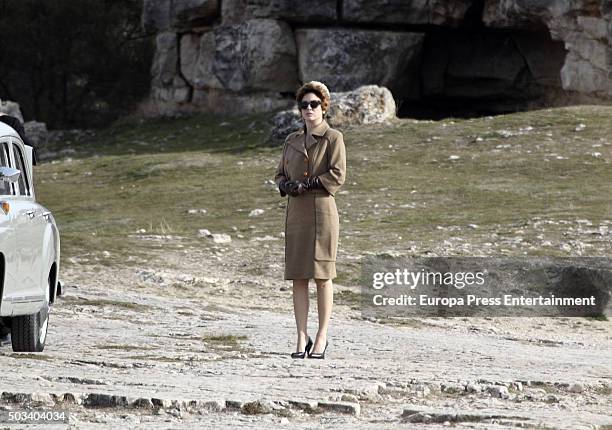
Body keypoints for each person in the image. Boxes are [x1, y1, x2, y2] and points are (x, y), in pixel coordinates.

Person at [274, 81, 346, 359]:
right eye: (304, 105)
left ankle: (322, 336)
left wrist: (313, 182)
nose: (308, 109)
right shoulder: (291, 141)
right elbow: (279, 174)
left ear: (324, 107)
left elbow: (338, 175)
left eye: (314, 104)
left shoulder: (333, 138)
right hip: (296, 214)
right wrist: (286, 186)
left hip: (322, 212)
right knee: (298, 277)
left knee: (322, 277)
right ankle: (300, 335)